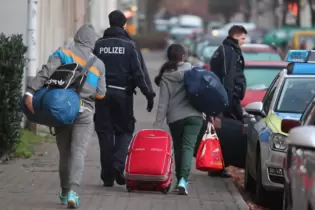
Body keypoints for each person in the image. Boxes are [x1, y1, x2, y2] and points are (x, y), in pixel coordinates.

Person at [24, 24, 106, 209]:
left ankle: (63, 191)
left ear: (77, 37)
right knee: (79, 152)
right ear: (92, 41)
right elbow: (101, 94)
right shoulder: (98, 64)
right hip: (84, 111)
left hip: (61, 109)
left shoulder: (62, 53)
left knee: (65, 153)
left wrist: (30, 92)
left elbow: (45, 73)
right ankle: (73, 193)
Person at [93, 10, 155, 187]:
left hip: (101, 95)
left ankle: (107, 176)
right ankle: (118, 165)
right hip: (123, 95)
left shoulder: (98, 44)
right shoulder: (130, 45)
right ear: (123, 24)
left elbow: (91, 70)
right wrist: (148, 93)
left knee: (105, 133)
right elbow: (139, 72)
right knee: (124, 131)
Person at [153, 44, 203, 195]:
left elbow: (163, 103)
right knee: (188, 147)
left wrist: (157, 126)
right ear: (183, 56)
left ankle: (179, 179)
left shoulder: (166, 76)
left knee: (179, 147)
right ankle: (183, 181)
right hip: (195, 116)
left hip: (175, 118)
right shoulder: (193, 71)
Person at [210, 25, 247, 122]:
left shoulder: (229, 50)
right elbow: (228, 77)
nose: (244, 41)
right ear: (235, 36)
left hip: (229, 97)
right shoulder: (229, 52)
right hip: (230, 99)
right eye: (242, 38)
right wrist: (228, 103)